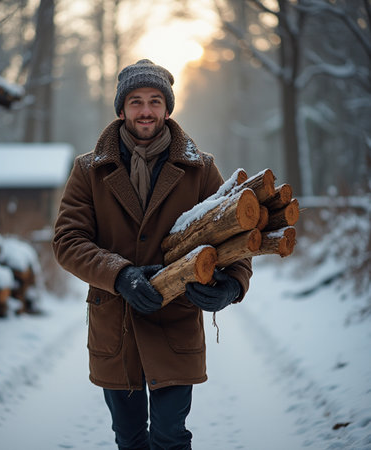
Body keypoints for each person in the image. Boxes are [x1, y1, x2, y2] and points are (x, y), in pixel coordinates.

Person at [53, 59, 252, 450]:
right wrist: (120, 274)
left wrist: (233, 284)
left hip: (174, 322)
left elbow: (237, 234)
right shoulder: (88, 170)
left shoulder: (201, 169)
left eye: (155, 101)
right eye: (137, 101)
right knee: (128, 439)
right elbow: (67, 241)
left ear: (168, 107)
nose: (146, 111)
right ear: (121, 108)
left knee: (170, 436)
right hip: (116, 324)